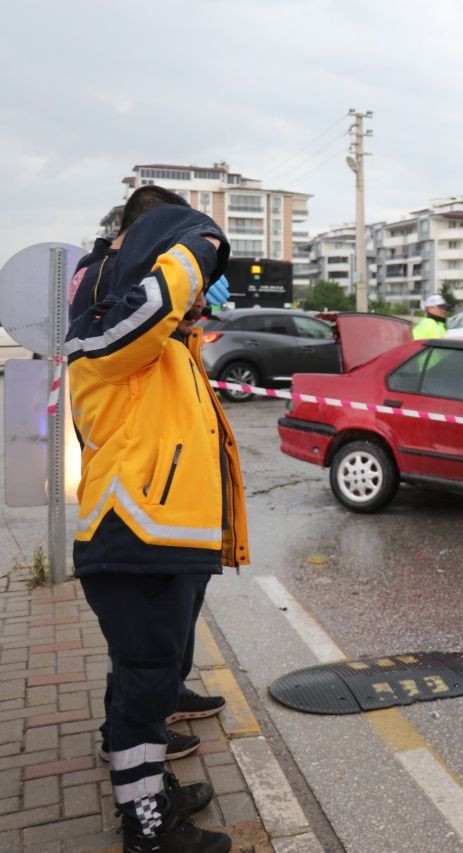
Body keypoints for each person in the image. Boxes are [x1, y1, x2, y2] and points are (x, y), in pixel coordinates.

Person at [67, 185, 249, 853]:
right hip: (134, 535)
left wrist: (192, 309)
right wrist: (195, 243)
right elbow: (152, 306)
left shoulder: (159, 344)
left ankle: (149, 794)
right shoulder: (101, 334)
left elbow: (169, 322)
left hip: (161, 540)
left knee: (146, 677)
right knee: (144, 688)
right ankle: (147, 828)